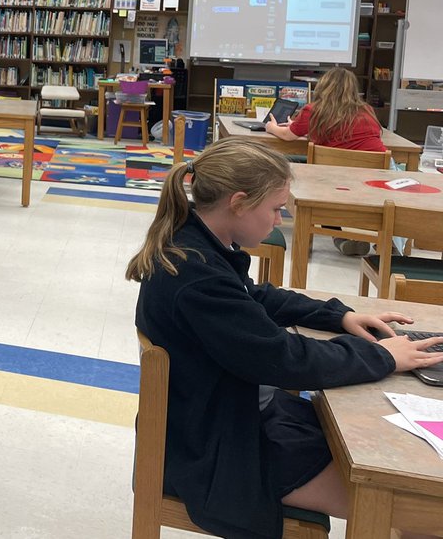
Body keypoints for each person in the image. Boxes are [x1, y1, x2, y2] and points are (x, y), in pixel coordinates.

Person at [126, 137, 443, 539]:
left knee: (406, 481)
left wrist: (339, 316)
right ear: (238, 202)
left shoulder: (196, 244)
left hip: (225, 420)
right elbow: (285, 359)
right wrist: (382, 356)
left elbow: (254, 297)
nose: (279, 221)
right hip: (222, 452)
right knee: (415, 505)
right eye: (276, 209)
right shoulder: (198, 279)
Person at [265, 67, 387, 254]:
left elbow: (287, 136)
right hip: (372, 179)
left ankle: (339, 235)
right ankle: (387, 241)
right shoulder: (367, 110)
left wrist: (271, 127)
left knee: (312, 182)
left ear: (323, 87)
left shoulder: (314, 111)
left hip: (330, 182)